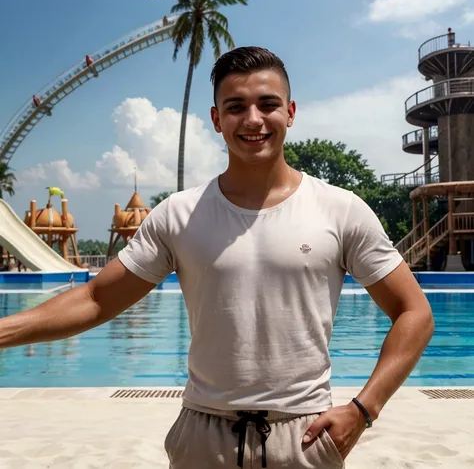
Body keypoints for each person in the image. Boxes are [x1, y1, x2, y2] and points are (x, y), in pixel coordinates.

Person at [0, 47, 434, 468]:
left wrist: (364, 409)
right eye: (235, 106)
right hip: (203, 437)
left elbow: (414, 312)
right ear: (216, 119)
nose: (253, 120)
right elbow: (96, 298)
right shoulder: (180, 214)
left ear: (291, 112)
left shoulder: (339, 209)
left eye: (268, 104)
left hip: (303, 436)